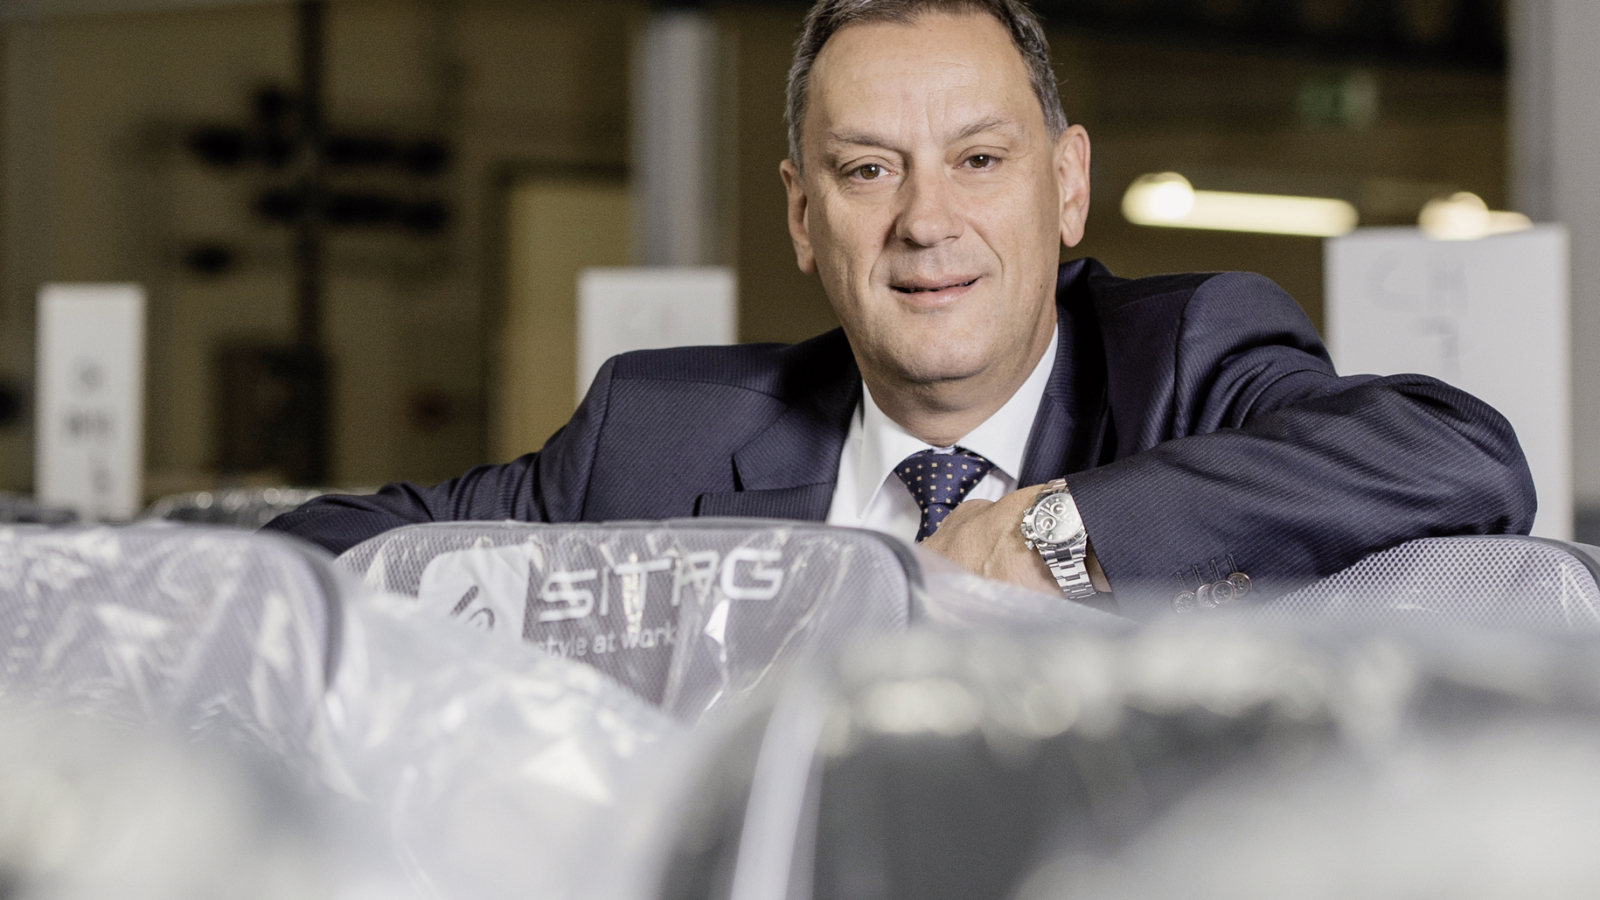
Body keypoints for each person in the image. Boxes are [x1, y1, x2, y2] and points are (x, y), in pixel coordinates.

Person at [264, 0, 1534, 619]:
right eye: (868, 170)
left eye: (978, 160)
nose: (927, 220)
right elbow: (319, 549)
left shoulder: (1185, 357)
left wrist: (1051, 529)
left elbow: (1455, 455)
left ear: (1067, 185)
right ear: (802, 214)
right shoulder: (656, 432)